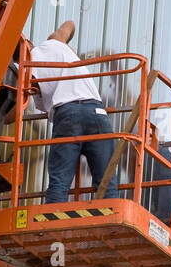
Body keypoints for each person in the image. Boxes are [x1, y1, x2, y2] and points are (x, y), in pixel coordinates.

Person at [30, 20, 120, 204]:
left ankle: (51, 223)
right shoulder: (53, 42)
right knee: (106, 182)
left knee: (59, 183)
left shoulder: (27, 74)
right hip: (96, 112)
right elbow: (69, 24)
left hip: (68, 115)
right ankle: (110, 220)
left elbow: (12, 113)